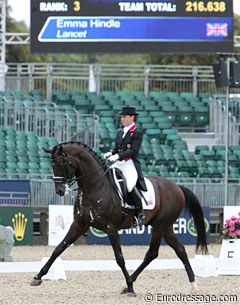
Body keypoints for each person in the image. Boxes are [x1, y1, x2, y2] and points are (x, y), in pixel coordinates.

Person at [104, 106, 147, 228]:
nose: (122, 119)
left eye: (125, 117)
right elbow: (117, 149)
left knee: (129, 185)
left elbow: (133, 151)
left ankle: (139, 214)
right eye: (122, 117)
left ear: (132, 117)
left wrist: (117, 156)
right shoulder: (120, 132)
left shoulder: (137, 133)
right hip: (118, 163)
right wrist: (111, 153)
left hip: (129, 164)